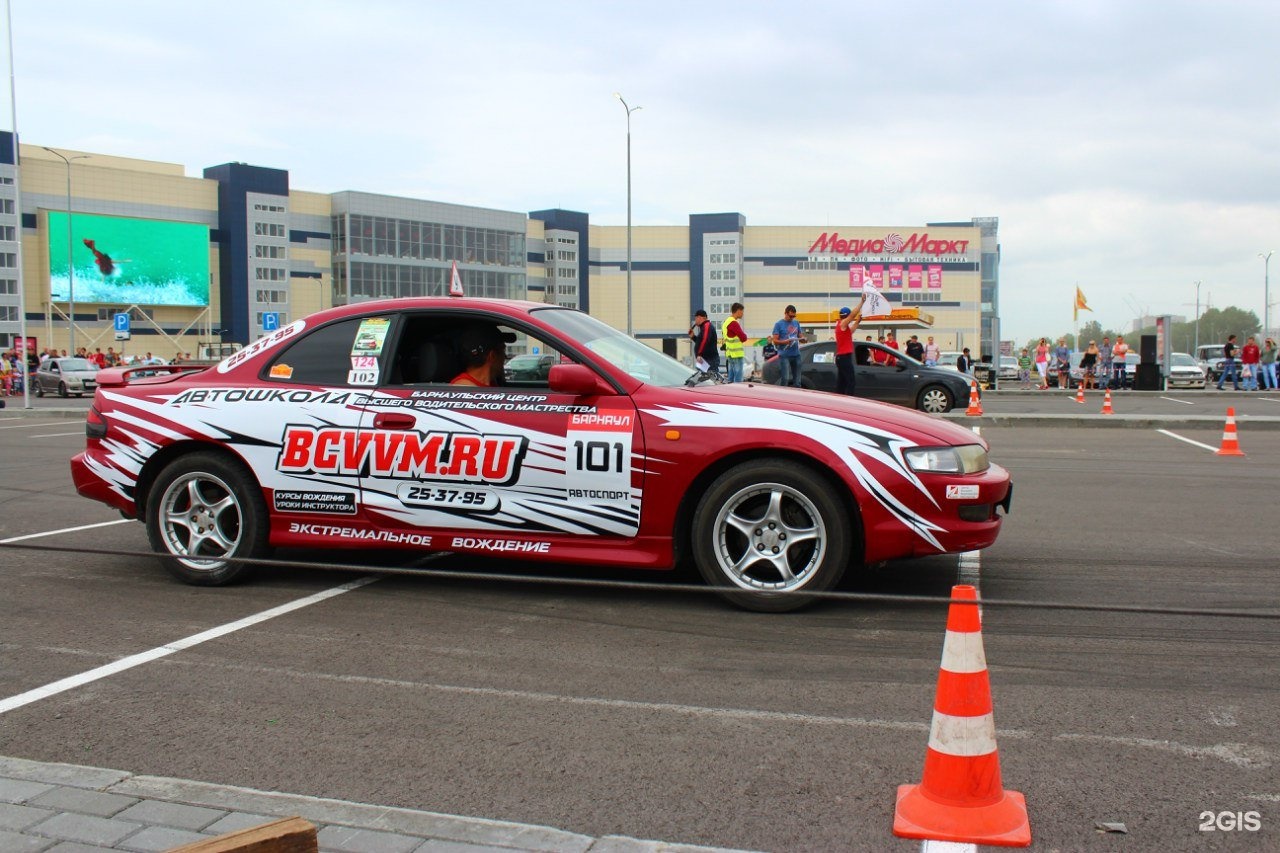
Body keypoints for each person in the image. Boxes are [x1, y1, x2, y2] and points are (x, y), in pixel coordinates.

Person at [450, 324, 515, 387]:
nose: (505, 357)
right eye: (503, 350)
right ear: (492, 356)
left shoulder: (490, 384)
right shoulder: (465, 389)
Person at [834, 295, 867, 396]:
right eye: (849, 317)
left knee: (842, 382)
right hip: (844, 357)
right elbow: (853, 314)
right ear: (846, 316)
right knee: (850, 381)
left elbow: (851, 330)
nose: (851, 319)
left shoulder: (843, 327)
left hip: (842, 358)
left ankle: (840, 400)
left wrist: (858, 321)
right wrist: (861, 302)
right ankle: (849, 400)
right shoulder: (842, 323)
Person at [770, 305, 805, 386]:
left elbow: (800, 335)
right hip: (784, 355)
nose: (792, 318)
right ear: (785, 313)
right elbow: (774, 340)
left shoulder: (796, 323)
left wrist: (803, 339)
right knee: (785, 379)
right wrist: (785, 342)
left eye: (794, 316)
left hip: (796, 354)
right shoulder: (778, 324)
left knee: (797, 380)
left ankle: (796, 395)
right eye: (790, 316)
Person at [720, 303, 748, 383]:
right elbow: (743, 338)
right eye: (742, 311)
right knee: (738, 379)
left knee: (730, 379)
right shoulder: (734, 323)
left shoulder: (726, 322)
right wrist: (744, 335)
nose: (742, 313)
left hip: (730, 353)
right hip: (737, 354)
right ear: (738, 311)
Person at [689, 309, 720, 376]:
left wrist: (699, 354)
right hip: (705, 360)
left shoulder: (707, 326)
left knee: (710, 380)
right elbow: (701, 342)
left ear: (700, 317)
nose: (695, 320)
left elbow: (705, 340)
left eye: (696, 318)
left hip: (709, 360)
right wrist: (693, 337)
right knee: (704, 380)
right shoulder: (704, 327)